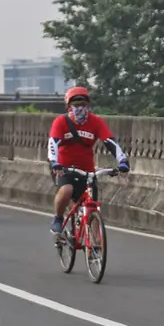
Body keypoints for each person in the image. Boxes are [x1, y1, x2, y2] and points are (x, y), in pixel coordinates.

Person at [46, 86, 129, 233]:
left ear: (89, 106)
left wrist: (122, 160)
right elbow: (53, 144)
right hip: (64, 169)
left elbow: (110, 142)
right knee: (66, 190)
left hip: (87, 171)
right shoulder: (61, 122)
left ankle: (96, 245)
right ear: (69, 107)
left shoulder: (96, 122)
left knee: (92, 208)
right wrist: (54, 162)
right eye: (76, 105)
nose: (80, 109)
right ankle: (58, 218)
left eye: (83, 105)